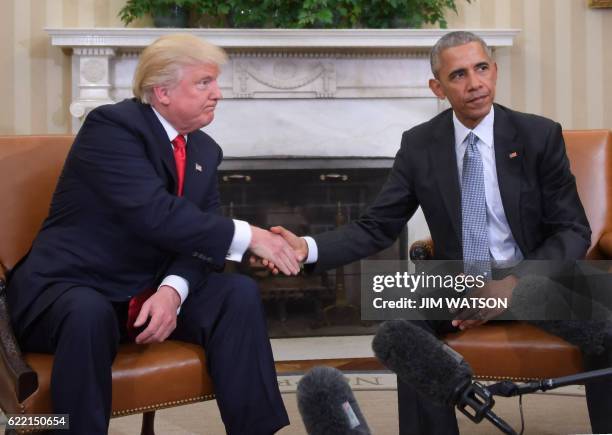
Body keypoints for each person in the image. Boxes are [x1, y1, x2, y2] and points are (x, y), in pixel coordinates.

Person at [262, 31, 611, 434]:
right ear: (438, 88)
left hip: (535, 278)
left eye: (481, 68)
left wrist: (515, 282)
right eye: (458, 75)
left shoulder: (538, 135)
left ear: (494, 71)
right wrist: (307, 248)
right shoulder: (420, 145)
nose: (475, 83)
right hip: (461, 281)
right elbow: (378, 225)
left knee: (605, 319)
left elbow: (572, 229)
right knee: (401, 317)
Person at [6, 34, 299, 435]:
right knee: (87, 313)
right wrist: (249, 235)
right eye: (204, 83)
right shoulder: (112, 127)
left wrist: (172, 292)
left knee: (237, 294)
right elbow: (154, 213)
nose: (218, 93)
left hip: (142, 294)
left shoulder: (204, 151)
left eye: (215, 82)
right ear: (161, 91)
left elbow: (199, 240)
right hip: (69, 287)